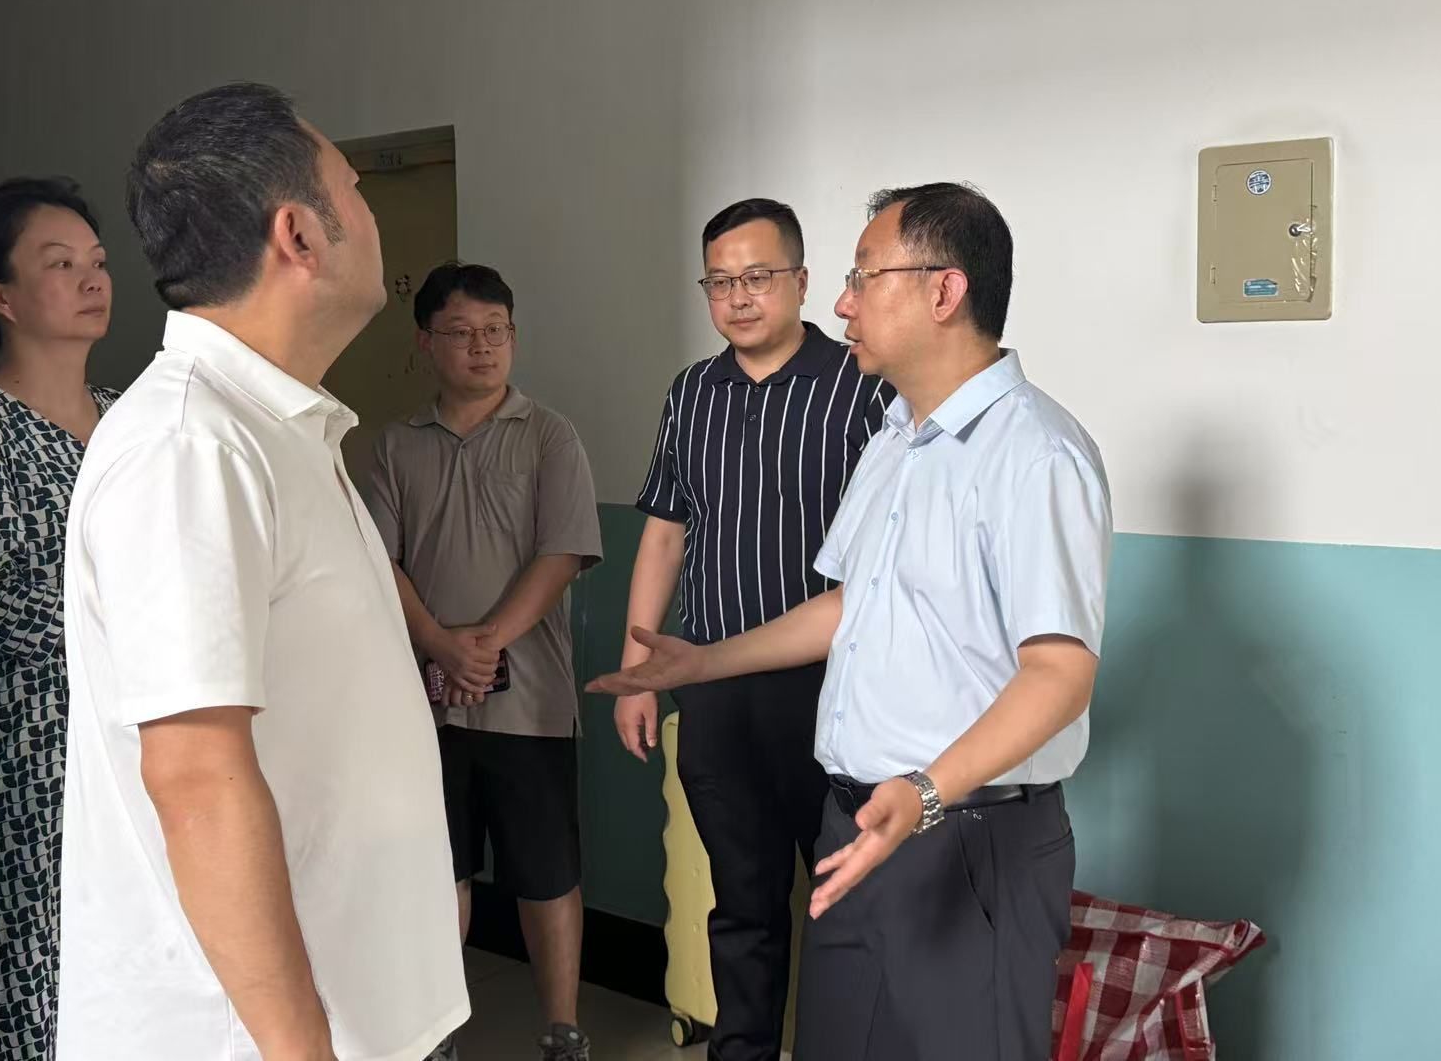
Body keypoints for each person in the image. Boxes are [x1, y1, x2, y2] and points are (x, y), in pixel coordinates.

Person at [593, 184, 1113, 1061]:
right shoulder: (896, 439)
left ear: (944, 291)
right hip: (862, 822)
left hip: (960, 834)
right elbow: (850, 603)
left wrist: (925, 792)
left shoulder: (1035, 454)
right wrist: (702, 663)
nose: (843, 303)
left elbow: (1059, 676)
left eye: (863, 277)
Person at [56, 83, 468, 1061]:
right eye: (354, 187)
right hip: (243, 1037)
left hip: (357, 1010)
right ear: (300, 234)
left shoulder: (281, 427)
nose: (369, 211)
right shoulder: (190, 446)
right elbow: (196, 776)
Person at [618, 199, 891, 1061]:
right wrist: (638, 669)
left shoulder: (863, 384)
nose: (739, 296)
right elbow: (664, 533)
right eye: (721, 281)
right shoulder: (691, 393)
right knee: (740, 903)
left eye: (759, 277)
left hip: (836, 690)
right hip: (712, 690)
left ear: (801, 281)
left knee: (852, 902)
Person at [364, 262, 604, 1061]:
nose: (481, 347)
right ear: (425, 342)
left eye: (495, 331)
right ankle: (438, 1033)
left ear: (513, 336)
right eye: (461, 333)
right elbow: (379, 561)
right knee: (441, 869)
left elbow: (562, 553)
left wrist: (487, 640)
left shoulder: (549, 435)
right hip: (424, 704)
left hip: (532, 703)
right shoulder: (392, 445)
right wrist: (439, 642)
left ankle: (563, 1029)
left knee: (548, 872)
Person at [0, 177, 115, 1061]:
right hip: (34, 760)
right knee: (44, 985)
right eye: (60, 264)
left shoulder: (135, 421)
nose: (92, 279)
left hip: (154, 748)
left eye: (97, 261)